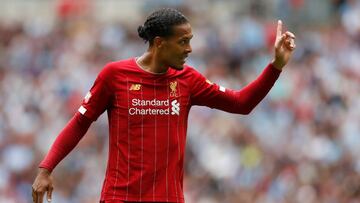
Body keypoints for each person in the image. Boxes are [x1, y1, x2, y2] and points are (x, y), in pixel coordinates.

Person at [32, 8, 296, 203]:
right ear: (159, 43)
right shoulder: (115, 75)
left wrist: (276, 66)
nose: (190, 49)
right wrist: (46, 168)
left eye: (190, 40)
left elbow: (242, 103)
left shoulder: (188, 80)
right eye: (183, 41)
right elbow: (80, 122)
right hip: (120, 198)